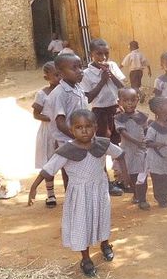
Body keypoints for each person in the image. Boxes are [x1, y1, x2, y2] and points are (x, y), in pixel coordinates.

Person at [28, 109, 127, 276]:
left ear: (95, 127)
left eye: (88, 126)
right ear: (71, 130)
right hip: (80, 195)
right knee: (82, 223)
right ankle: (85, 258)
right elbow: (48, 170)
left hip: (99, 191)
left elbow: (120, 154)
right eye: (79, 127)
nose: (84, 131)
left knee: (102, 217)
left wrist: (125, 174)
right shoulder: (67, 150)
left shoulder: (102, 144)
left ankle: (105, 244)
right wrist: (33, 187)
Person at [81, 38, 126, 195]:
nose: (103, 57)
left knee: (117, 144)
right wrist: (102, 81)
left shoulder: (112, 66)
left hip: (116, 110)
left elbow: (122, 87)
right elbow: (88, 97)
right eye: (99, 54)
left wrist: (110, 75)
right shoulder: (86, 74)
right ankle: (105, 181)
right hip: (99, 112)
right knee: (102, 147)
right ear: (91, 54)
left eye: (106, 53)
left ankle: (120, 178)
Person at [46, 54, 88, 192]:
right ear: (60, 73)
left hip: (80, 137)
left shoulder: (78, 88)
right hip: (68, 140)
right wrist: (78, 137)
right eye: (74, 68)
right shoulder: (60, 94)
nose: (79, 71)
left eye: (80, 67)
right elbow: (60, 123)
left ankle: (82, 197)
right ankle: (72, 198)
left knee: (82, 170)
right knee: (70, 172)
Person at [115, 87, 150, 210]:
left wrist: (146, 142)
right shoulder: (118, 118)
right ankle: (136, 194)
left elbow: (146, 131)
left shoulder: (143, 117)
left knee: (142, 175)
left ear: (137, 100)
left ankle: (142, 199)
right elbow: (123, 132)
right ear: (119, 102)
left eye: (133, 100)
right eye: (125, 100)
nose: (129, 103)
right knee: (131, 175)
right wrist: (137, 142)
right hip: (127, 151)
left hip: (140, 151)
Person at [32, 61, 61, 208]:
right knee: (50, 162)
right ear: (46, 78)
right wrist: (49, 118)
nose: (59, 78)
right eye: (56, 75)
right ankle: (50, 194)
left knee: (66, 161)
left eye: (61, 74)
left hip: (63, 130)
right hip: (49, 132)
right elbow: (36, 113)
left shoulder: (65, 91)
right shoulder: (42, 94)